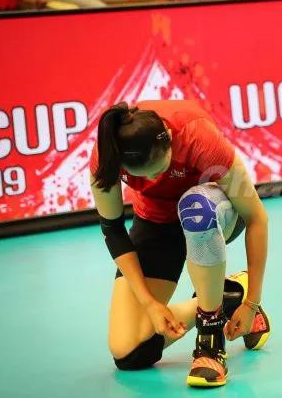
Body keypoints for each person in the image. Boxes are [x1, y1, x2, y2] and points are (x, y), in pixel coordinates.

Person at [89, 100, 270, 387]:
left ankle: (210, 340)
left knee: (194, 207)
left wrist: (252, 304)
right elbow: (112, 229)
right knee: (129, 352)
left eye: (159, 169)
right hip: (157, 224)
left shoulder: (198, 136)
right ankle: (228, 295)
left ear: (170, 140)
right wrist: (150, 304)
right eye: (143, 176)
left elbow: (256, 217)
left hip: (214, 213)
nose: (153, 180)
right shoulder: (108, 154)